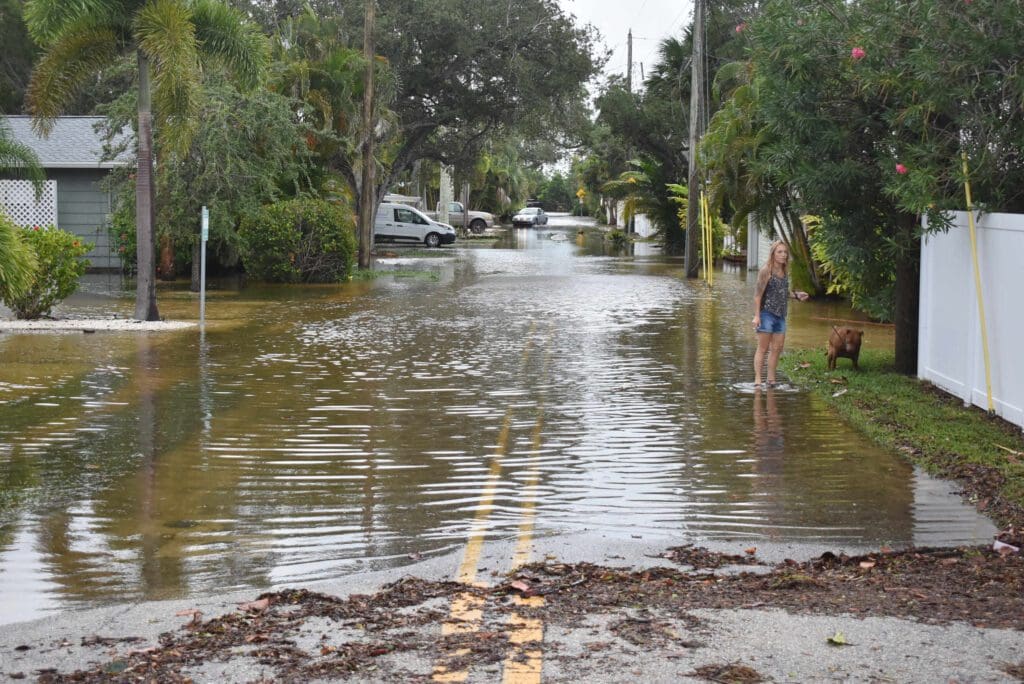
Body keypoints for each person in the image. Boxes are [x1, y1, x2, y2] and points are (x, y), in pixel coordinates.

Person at [752, 241, 809, 388]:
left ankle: (771, 380)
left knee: (777, 349)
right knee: (763, 348)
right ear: (773, 253)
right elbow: (757, 296)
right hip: (766, 314)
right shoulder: (766, 271)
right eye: (780, 252)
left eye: (785, 252)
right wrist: (757, 316)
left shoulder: (785, 271)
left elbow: (782, 292)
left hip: (781, 316)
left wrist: (796, 295)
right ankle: (758, 380)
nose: (783, 255)